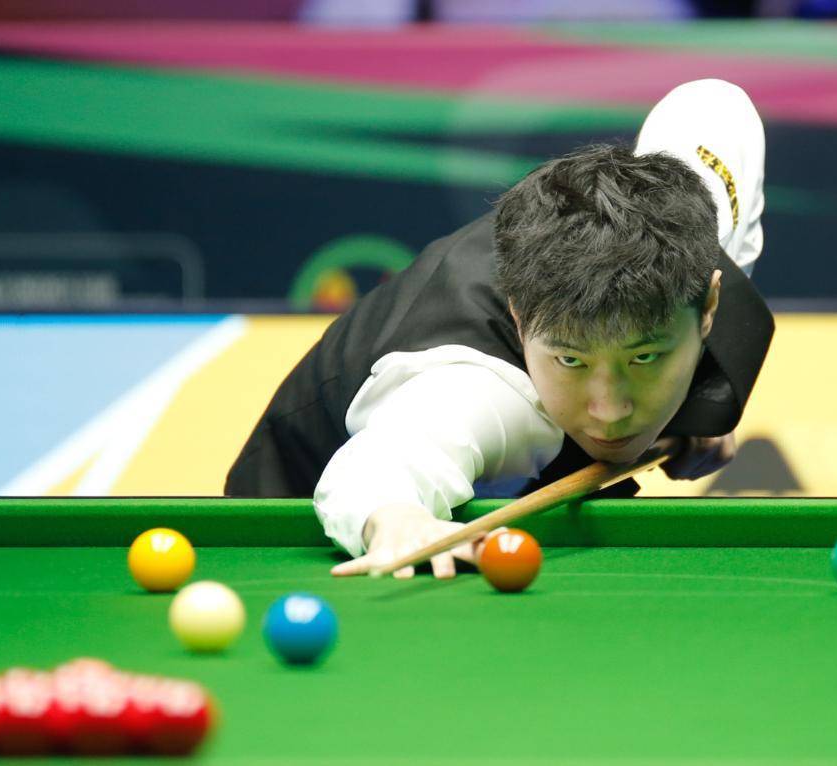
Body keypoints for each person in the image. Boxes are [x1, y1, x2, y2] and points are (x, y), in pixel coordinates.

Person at [226, 79, 773, 579]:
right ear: (518, 314)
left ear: (708, 304)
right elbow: (384, 466)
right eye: (571, 361)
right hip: (290, 542)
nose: (609, 410)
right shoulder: (478, 389)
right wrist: (397, 522)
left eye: (645, 357)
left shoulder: (690, 225)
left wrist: (699, 387)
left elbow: (714, 104)